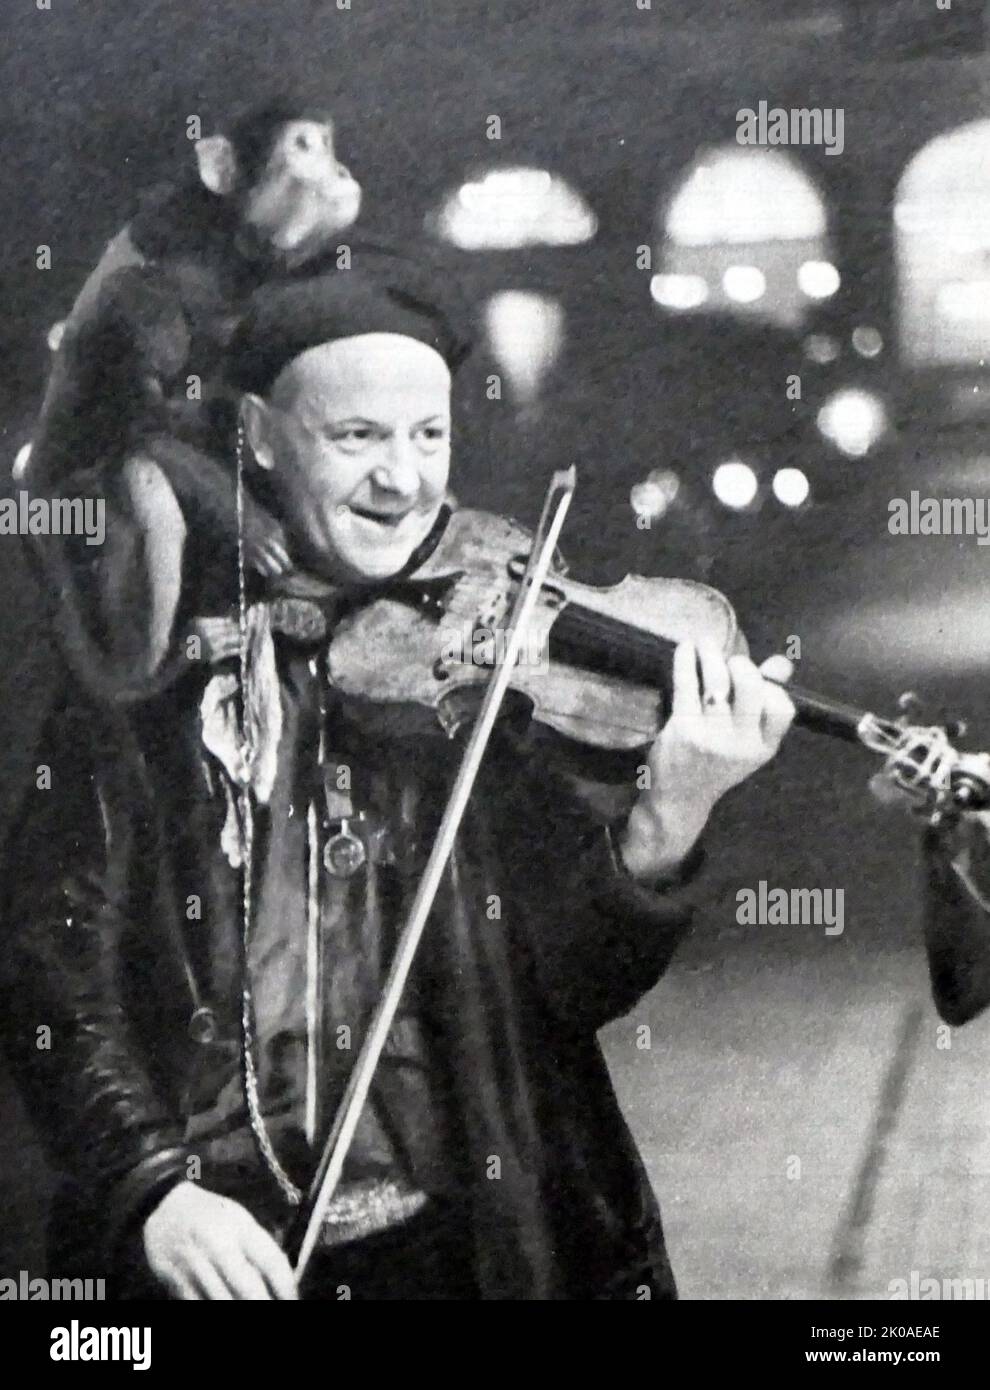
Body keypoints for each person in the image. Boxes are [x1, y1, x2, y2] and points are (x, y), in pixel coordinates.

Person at [1, 264, 795, 1300]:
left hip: (466, 1247)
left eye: (429, 436)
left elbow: (574, 986)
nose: (404, 481)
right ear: (263, 437)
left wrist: (670, 813)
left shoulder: (489, 658)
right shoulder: (153, 671)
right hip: (215, 1253)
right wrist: (149, 1183)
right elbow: (45, 962)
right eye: (358, 438)